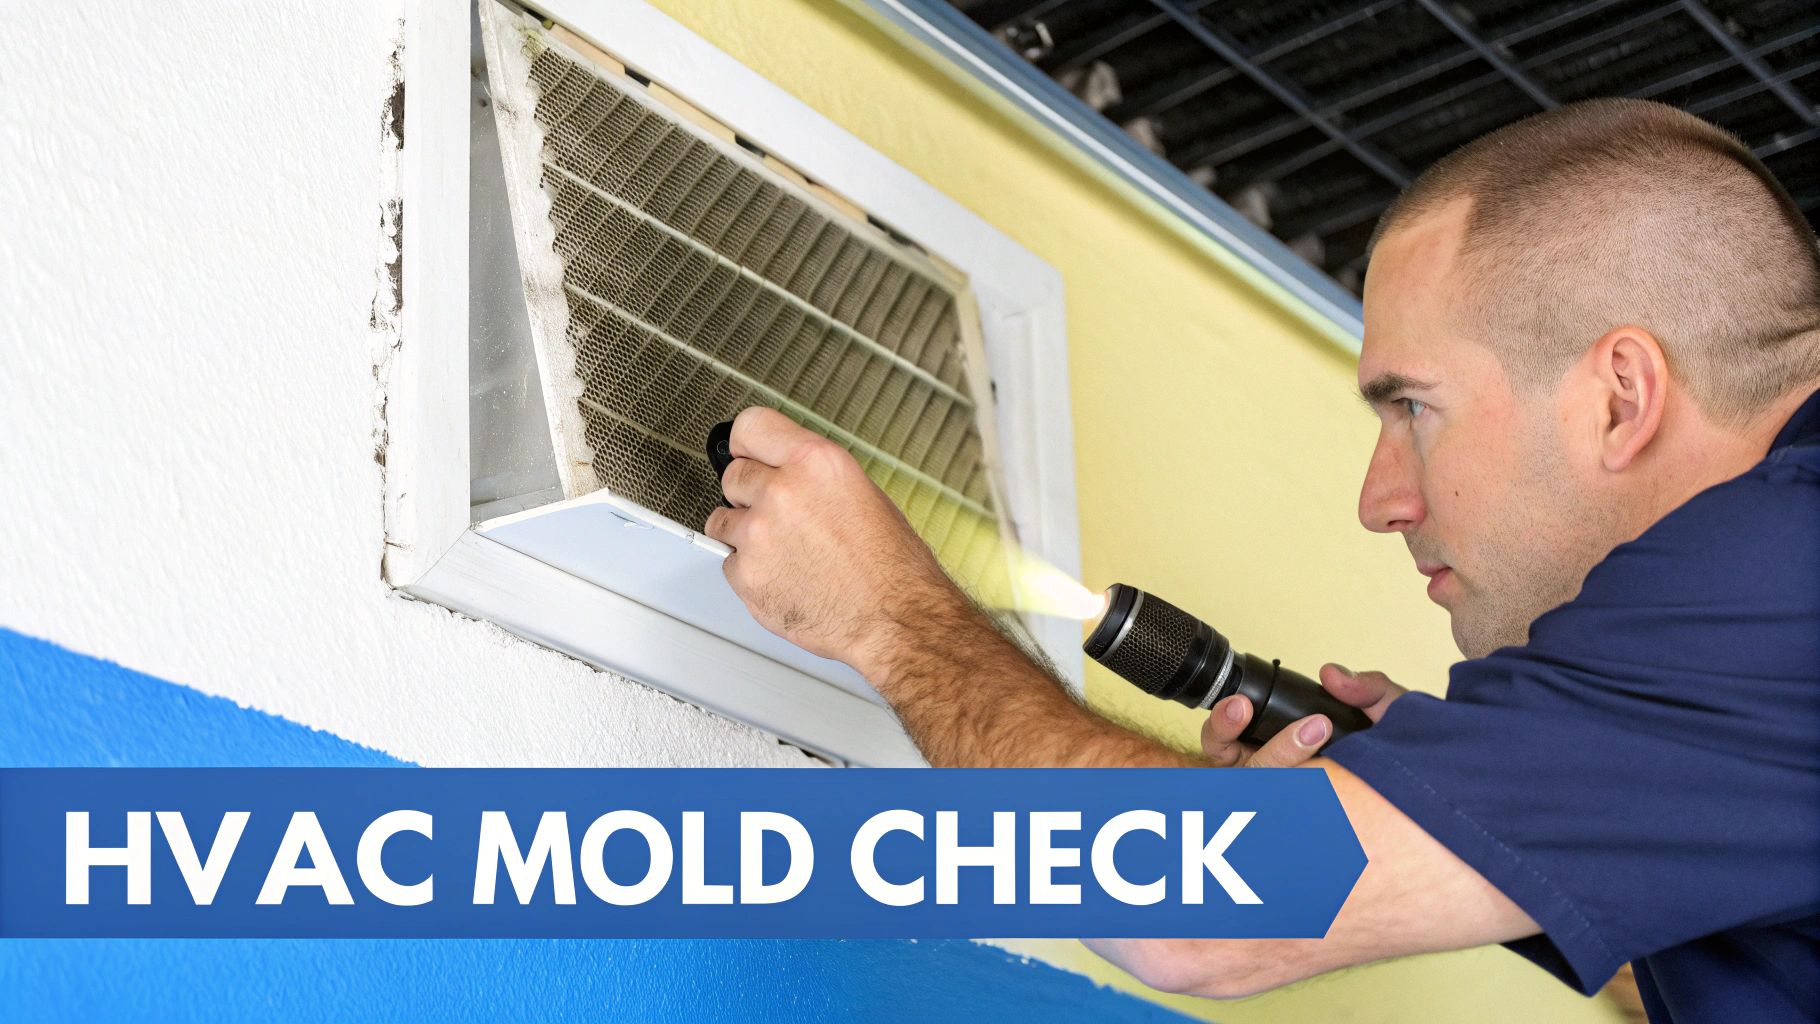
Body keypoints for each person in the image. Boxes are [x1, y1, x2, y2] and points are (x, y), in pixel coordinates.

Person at [700, 98, 1820, 1022]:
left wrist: (891, 621)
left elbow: (1200, 917)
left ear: (1618, 396)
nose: (1379, 501)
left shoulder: (1776, 575)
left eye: (1414, 410)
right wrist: (1481, 819)